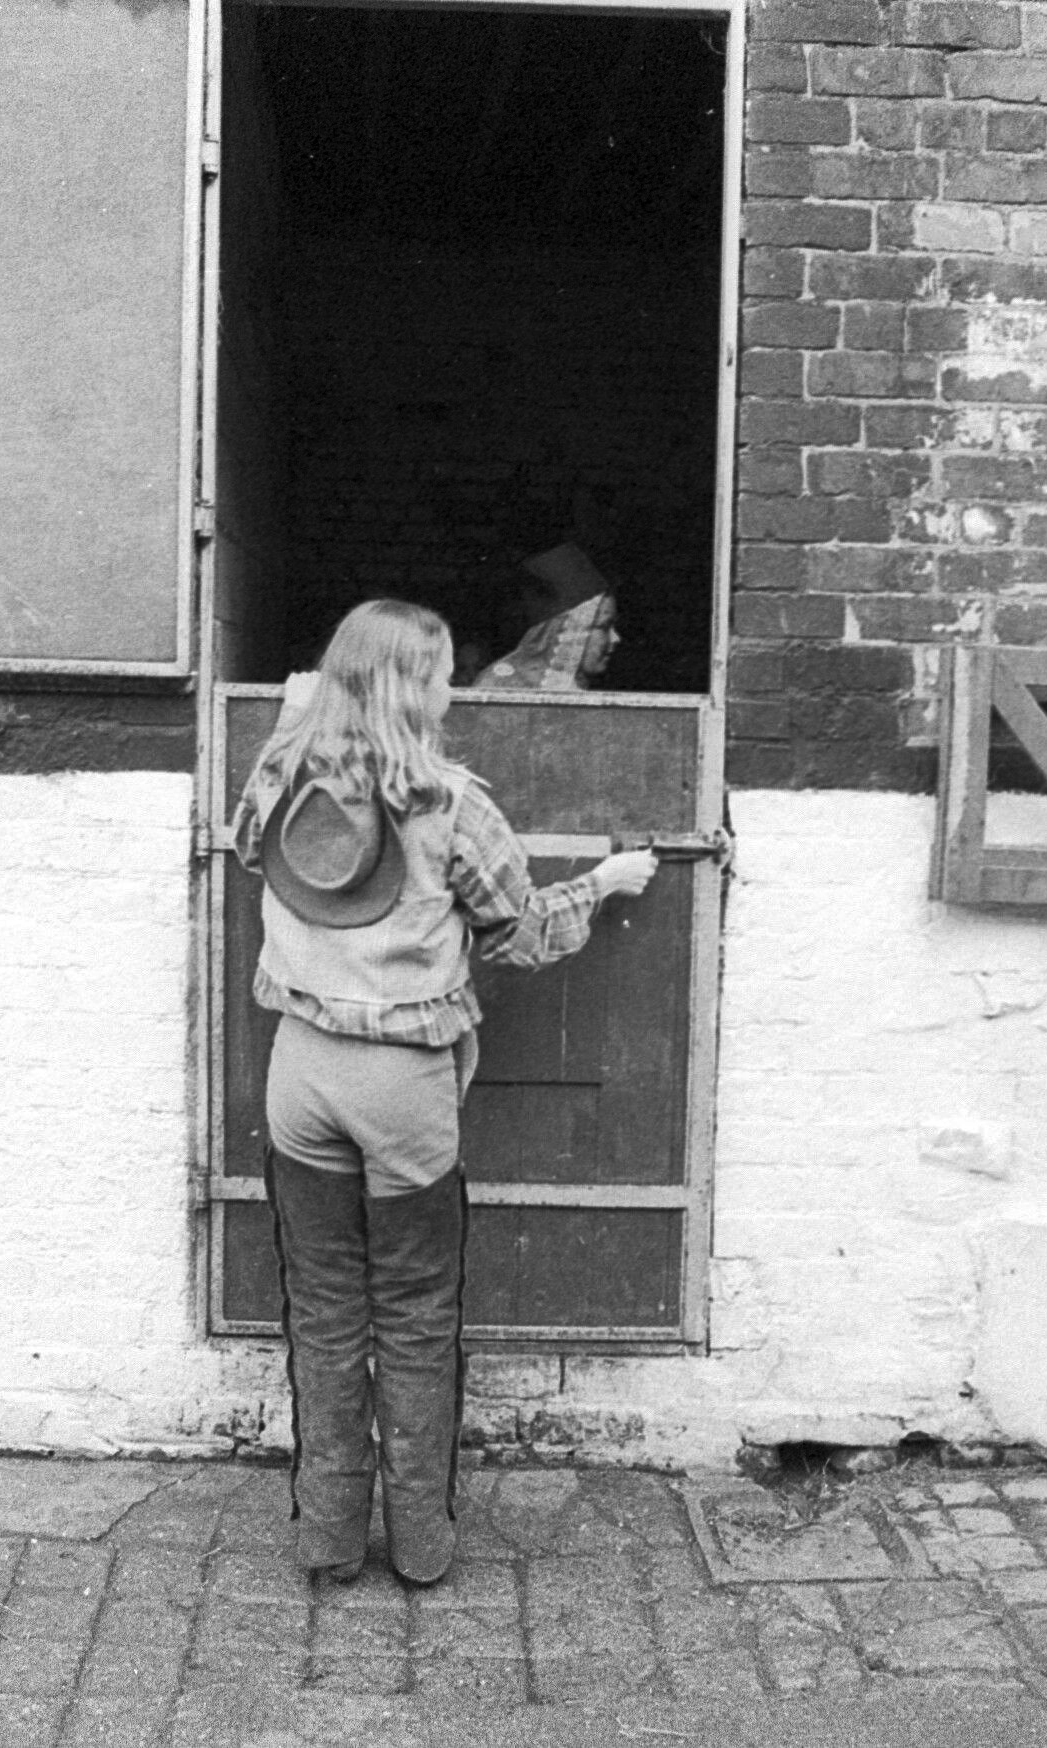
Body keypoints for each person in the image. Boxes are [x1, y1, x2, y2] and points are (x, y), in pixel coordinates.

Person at [229, 599, 657, 1586]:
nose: (455, 687)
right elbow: (518, 929)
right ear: (411, 687)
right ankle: (420, 1547)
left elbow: (252, 849)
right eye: (440, 672)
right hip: (402, 1085)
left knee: (324, 1308)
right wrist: (607, 880)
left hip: (299, 1071)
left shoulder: (278, 779)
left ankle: (328, 1541)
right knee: (415, 1312)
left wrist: (305, 715)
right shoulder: (453, 805)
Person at [476, 543, 621, 690]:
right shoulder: (499, 685)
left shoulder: (581, 686)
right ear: (569, 630)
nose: (616, 638)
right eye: (603, 627)